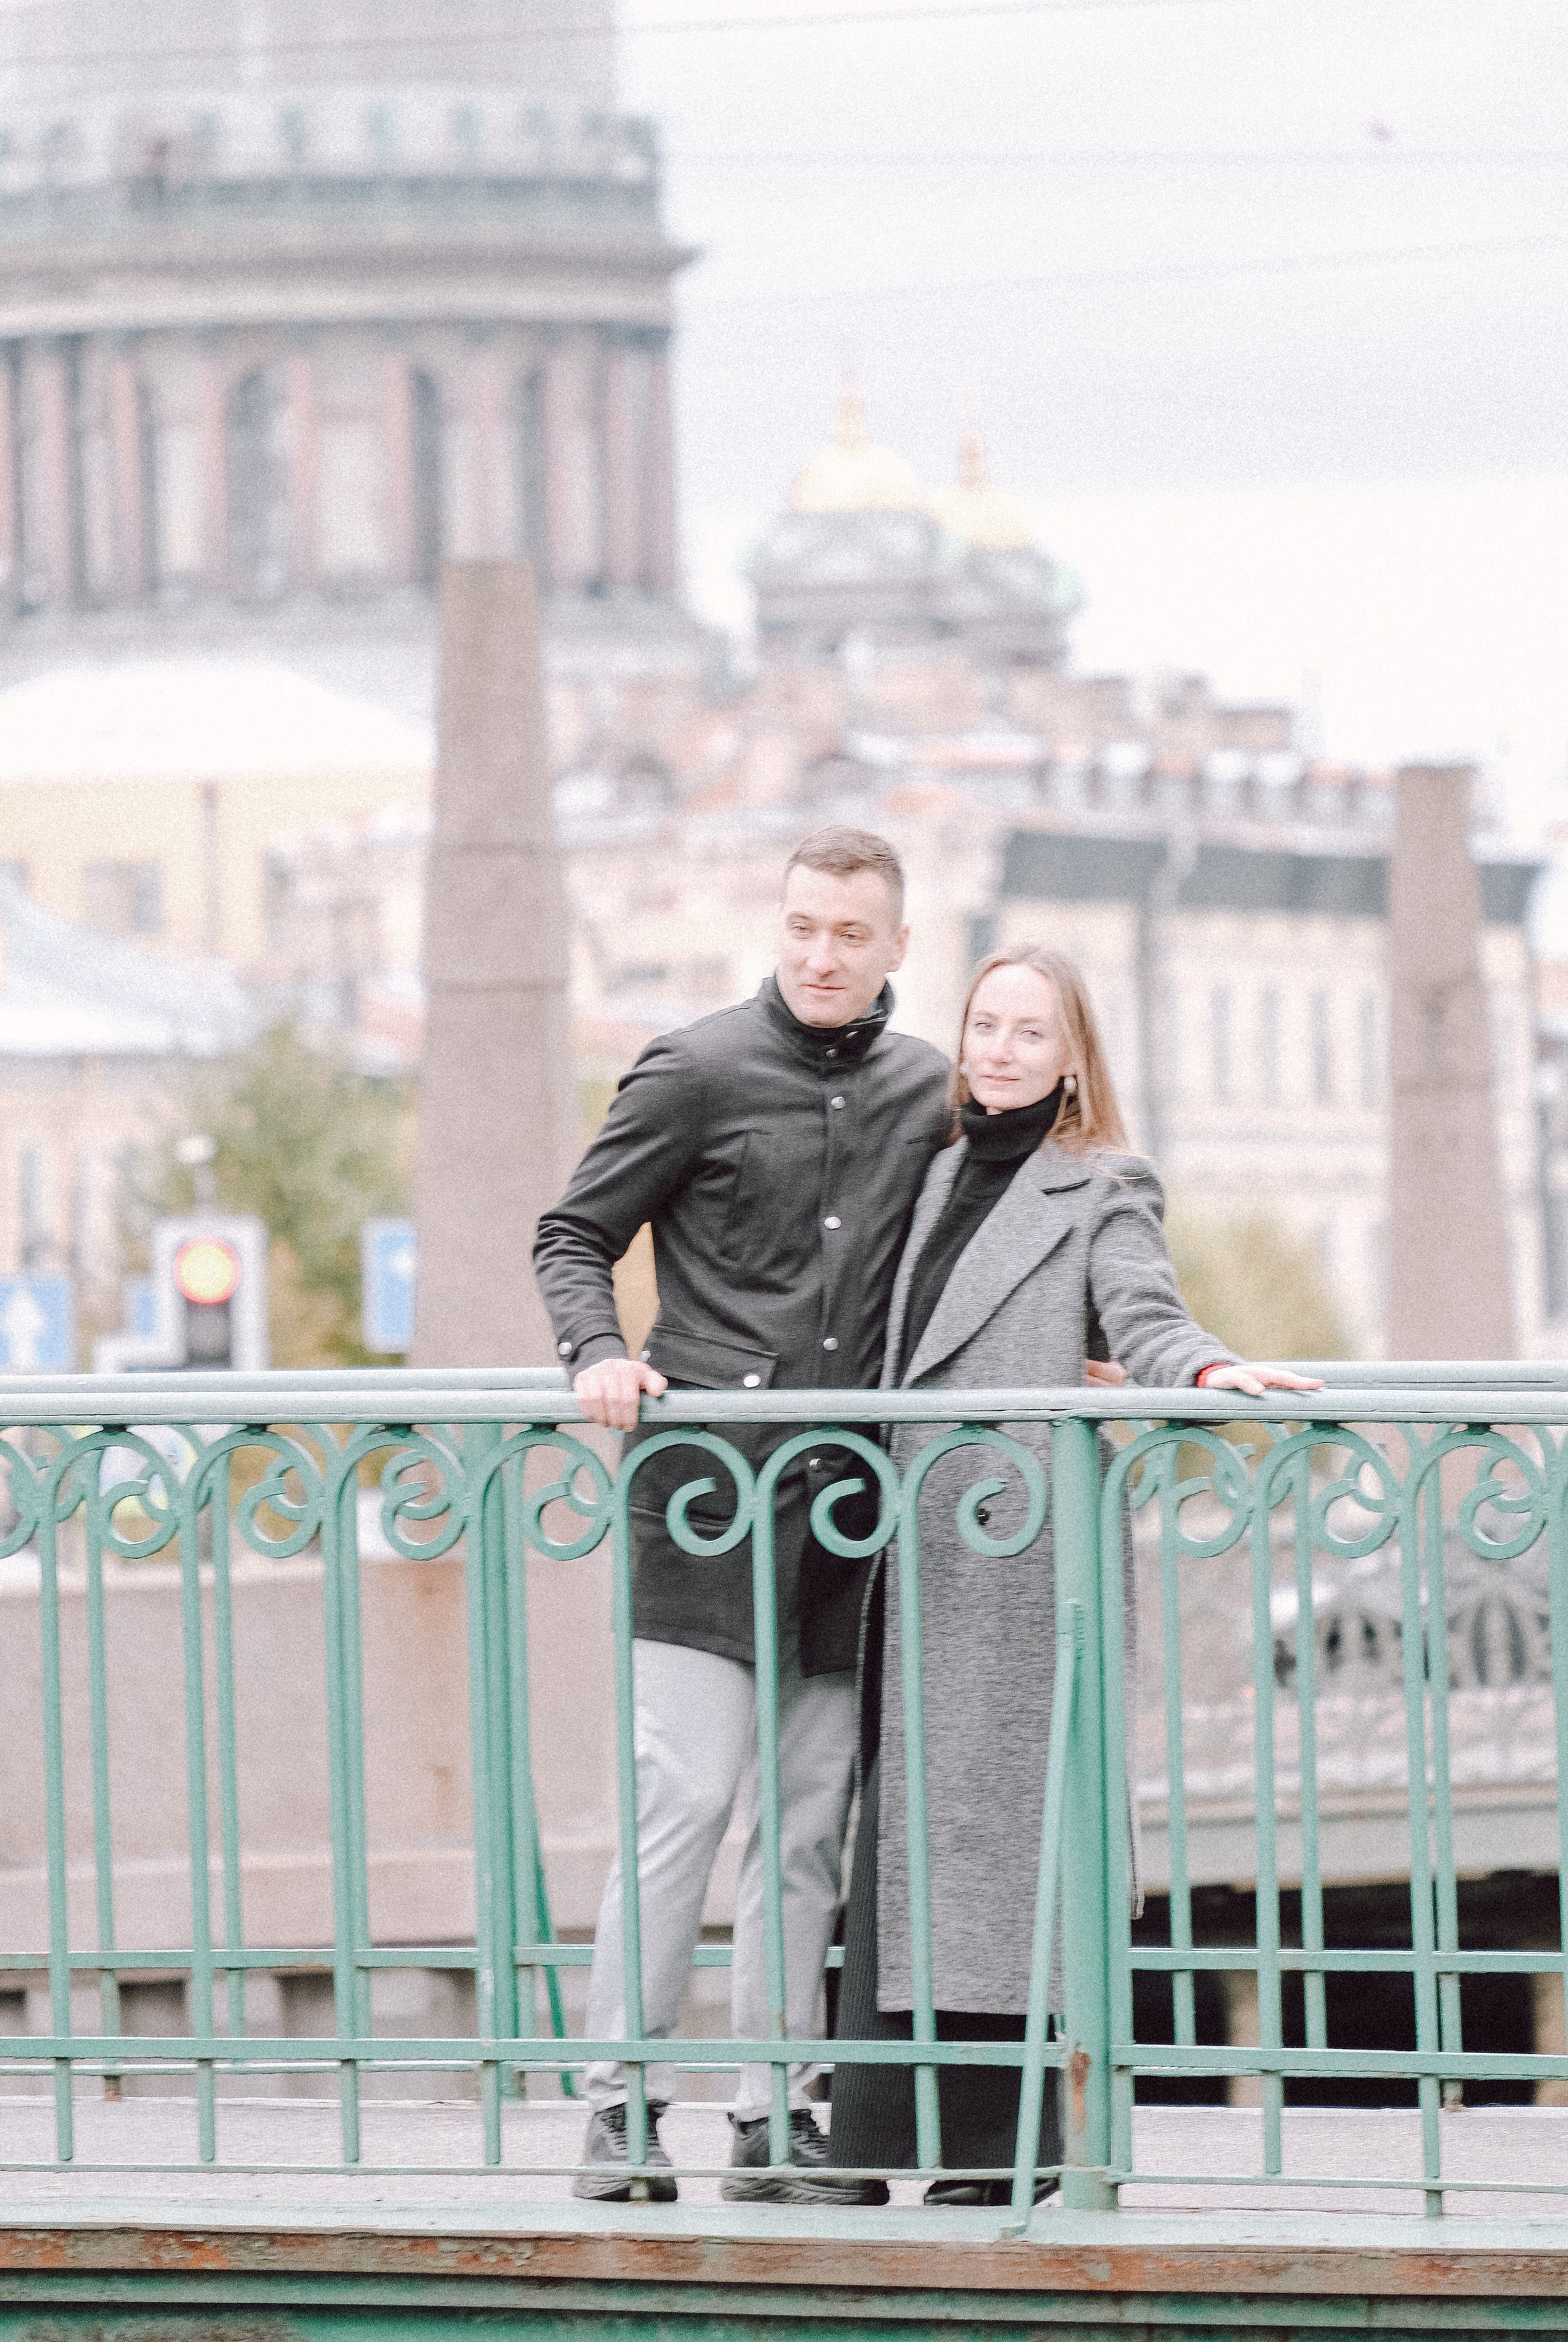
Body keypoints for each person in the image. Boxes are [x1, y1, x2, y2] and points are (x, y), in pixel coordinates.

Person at [826, 944, 1321, 2205]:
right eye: (984, 1025)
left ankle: (1003, 2152)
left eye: (1028, 1032)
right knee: (905, 1848)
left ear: (1071, 1057)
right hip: (912, 1553)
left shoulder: (1101, 1183)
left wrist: (1205, 1372)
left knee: (1005, 1854)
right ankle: (883, 2136)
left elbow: (1143, 1313)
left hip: (1016, 1563)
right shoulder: (929, 1173)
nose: (998, 1050)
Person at [532, 826, 951, 2202]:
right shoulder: (694, 1070)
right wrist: (598, 1351)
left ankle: (775, 2119)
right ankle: (615, 2113)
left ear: (896, 945)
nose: (822, 956)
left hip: (845, 1513)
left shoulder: (926, 1094)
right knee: (684, 1802)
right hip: (705, 1503)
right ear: (775, 932)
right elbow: (571, 1234)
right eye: (802, 930)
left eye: (850, 934)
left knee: (807, 1824)